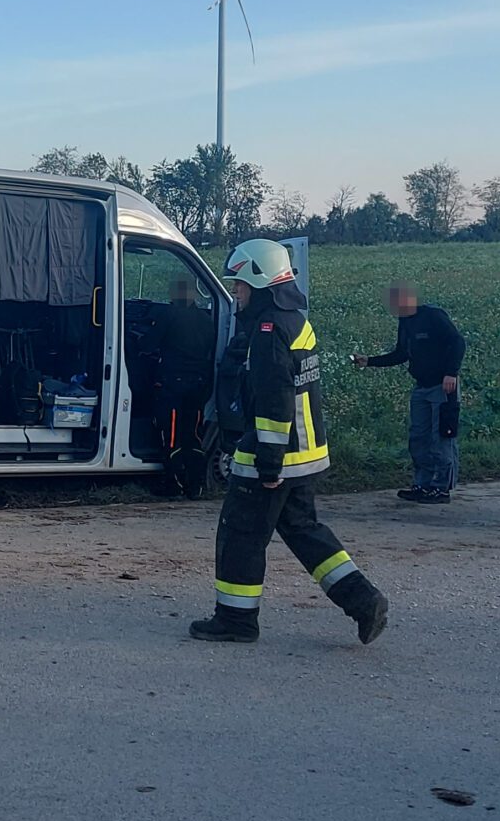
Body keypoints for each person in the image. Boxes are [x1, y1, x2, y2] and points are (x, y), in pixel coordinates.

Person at [188, 238, 387, 646]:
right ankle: (364, 601)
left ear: (260, 282)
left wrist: (268, 465)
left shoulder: (266, 331)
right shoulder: (294, 319)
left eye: (240, 285)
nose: (236, 293)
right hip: (306, 454)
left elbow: (274, 399)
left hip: (275, 455)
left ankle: (236, 621)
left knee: (240, 534)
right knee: (304, 531)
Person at [361, 284, 465, 503]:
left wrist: (451, 373)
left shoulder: (433, 316)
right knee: (419, 437)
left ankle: (441, 488)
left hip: (443, 386)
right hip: (421, 387)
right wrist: (369, 361)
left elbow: (457, 342)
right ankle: (422, 484)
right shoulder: (405, 322)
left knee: (441, 437)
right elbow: (400, 354)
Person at [156, 273, 218, 496]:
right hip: (199, 386)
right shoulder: (205, 320)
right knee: (193, 435)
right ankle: (195, 486)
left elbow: (148, 343)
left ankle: (172, 485)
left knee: (171, 435)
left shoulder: (168, 315)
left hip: (173, 385)